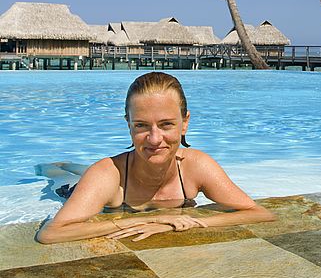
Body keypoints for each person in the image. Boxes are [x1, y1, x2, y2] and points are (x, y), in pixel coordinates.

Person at [37, 72, 275, 244]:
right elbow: (51, 233)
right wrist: (142, 220)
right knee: (59, 176)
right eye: (141, 126)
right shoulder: (107, 174)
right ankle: (56, 166)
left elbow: (260, 213)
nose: (154, 138)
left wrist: (192, 221)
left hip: (122, 168)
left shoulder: (196, 165)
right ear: (128, 125)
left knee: (92, 170)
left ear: (185, 123)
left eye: (166, 125)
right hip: (76, 188)